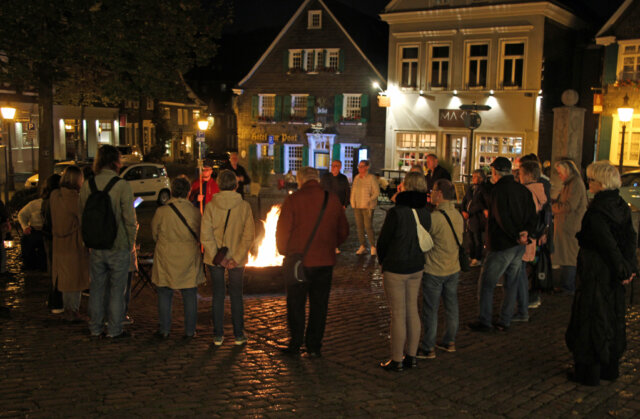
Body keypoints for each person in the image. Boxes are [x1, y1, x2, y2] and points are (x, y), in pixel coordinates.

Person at [566, 161, 637, 386]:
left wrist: (623, 268)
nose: (589, 184)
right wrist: (629, 268)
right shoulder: (620, 205)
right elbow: (629, 239)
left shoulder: (597, 210)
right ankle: (609, 367)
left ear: (601, 183)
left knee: (591, 318)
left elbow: (607, 244)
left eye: (592, 180)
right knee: (612, 316)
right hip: (613, 274)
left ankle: (589, 372)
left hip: (596, 271)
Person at [276, 167, 349, 357]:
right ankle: (314, 345)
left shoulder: (293, 200)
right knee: (319, 305)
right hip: (324, 262)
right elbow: (343, 231)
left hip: (298, 262)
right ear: (317, 179)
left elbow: (282, 232)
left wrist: (285, 251)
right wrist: (330, 245)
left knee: (296, 303)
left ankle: (295, 343)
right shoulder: (331, 199)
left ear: (300, 180)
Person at [468, 157, 536, 332]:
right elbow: (531, 215)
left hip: (501, 244)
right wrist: (525, 233)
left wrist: (514, 235)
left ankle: (485, 320)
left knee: (487, 282)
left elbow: (501, 217)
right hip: (518, 244)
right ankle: (505, 319)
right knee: (511, 282)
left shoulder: (498, 191)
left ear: (495, 172)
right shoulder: (523, 190)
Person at [80, 145, 137, 339]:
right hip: (118, 244)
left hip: (96, 244)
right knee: (116, 290)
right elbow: (129, 218)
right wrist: (131, 242)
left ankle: (95, 327)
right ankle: (114, 329)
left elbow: (82, 215)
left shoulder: (88, 184)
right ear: (116, 162)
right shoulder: (121, 185)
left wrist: (87, 239)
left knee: (96, 288)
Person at [377, 172, 431, 371]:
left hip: (396, 267)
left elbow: (383, 241)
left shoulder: (397, 212)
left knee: (398, 313)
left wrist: (383, 261)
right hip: (416, 265)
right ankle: (412, 356)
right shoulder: (426, 212)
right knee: (412, 310)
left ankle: (396, 359)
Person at [201, 170, 255, 346]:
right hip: (237, 260)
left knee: (218, 295)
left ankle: (218, 335)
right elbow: (248, 235)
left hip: (215, 258)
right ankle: (239, 335)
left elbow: (205, 235)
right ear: (235, 185)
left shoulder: (210, 206)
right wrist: (237, 257)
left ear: (218, 185)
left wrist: (219, 258)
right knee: (236, 296)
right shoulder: (244, 206)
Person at [151, 177, 204, 339]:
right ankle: (190, 330)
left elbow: (155, 234)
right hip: (188, 257)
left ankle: (165, 329)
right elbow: (201, 234)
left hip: (166, 256)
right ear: (188, 192)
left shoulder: (162, 212)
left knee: (165, 293)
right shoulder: (195, 212)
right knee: (189, 294)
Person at [418, 179, 463, 359]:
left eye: (434, 190)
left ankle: (428, 347)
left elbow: (424, 241)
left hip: (435, 269)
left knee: (431, 309)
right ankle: (449, 340)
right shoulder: (458, 216)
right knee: (451, 306)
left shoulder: (435, 218)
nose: (431, 193)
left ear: (440, 194)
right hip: (453, 267)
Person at [50, 166, 90, 322]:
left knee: (65, 278)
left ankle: (68, 309)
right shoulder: (75, 198)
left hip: (59, 243)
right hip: (73, 243)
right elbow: (84, 218)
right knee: (75, 278)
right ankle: (72, 311)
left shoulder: (55, 195)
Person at [513, 161, 547, 322]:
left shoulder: (528, 192)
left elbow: (527, 216)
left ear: (526, 175)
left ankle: (521, 309)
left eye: (520, 174)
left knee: (519, 274)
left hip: (526, 238)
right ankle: (522, 307)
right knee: (521, 273)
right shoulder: (540, 190)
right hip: (533, 238)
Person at [552, 159, 587, 295]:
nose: (559, 175)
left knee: (569, 257)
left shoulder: (575, 184)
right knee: (566, 256)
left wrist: (553, 207)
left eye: (560, 173)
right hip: (566, 225)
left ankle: (568, 287)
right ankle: (565, 285)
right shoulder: (571, 183)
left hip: (570, 226)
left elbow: (569, 206)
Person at [41, 174, 63, 314]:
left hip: (48, 237)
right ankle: (56, 301)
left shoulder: (45, 200)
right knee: (57, 271)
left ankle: (52, 300)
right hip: (53, 237)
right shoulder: (53, 200)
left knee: (53, 269)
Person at [350, 160, 379, 255]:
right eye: (359, 166)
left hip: (367, 207)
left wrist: (369, 200)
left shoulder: (371, 178)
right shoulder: (357, 178)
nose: (360, 168)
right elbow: (353, 190)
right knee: (359, 227)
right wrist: (352, 202)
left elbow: (376, 192)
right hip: (358, 205)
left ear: (367, 167)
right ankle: (362, 245)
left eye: (362, 166)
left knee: (368, 226)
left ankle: (372, 246)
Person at [461, 169, 488, 266]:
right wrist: (463, 210)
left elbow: (481, 203)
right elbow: (465, 200)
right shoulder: (471, 188)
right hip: (469, 218)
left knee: (477, 239)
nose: (473, 179)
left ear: (481, 178)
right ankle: (471, 256)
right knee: (470, 238)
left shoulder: (483, 189)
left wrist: (470, 211)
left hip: (476, 218)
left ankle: (477, 257)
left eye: (475, 177)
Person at [18, 191, 46, 270]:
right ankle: (29, 264)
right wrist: (25, 227)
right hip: (35, 230)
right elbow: (21, 214)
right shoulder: (34, 204)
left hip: (48, 231)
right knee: (26, 241)